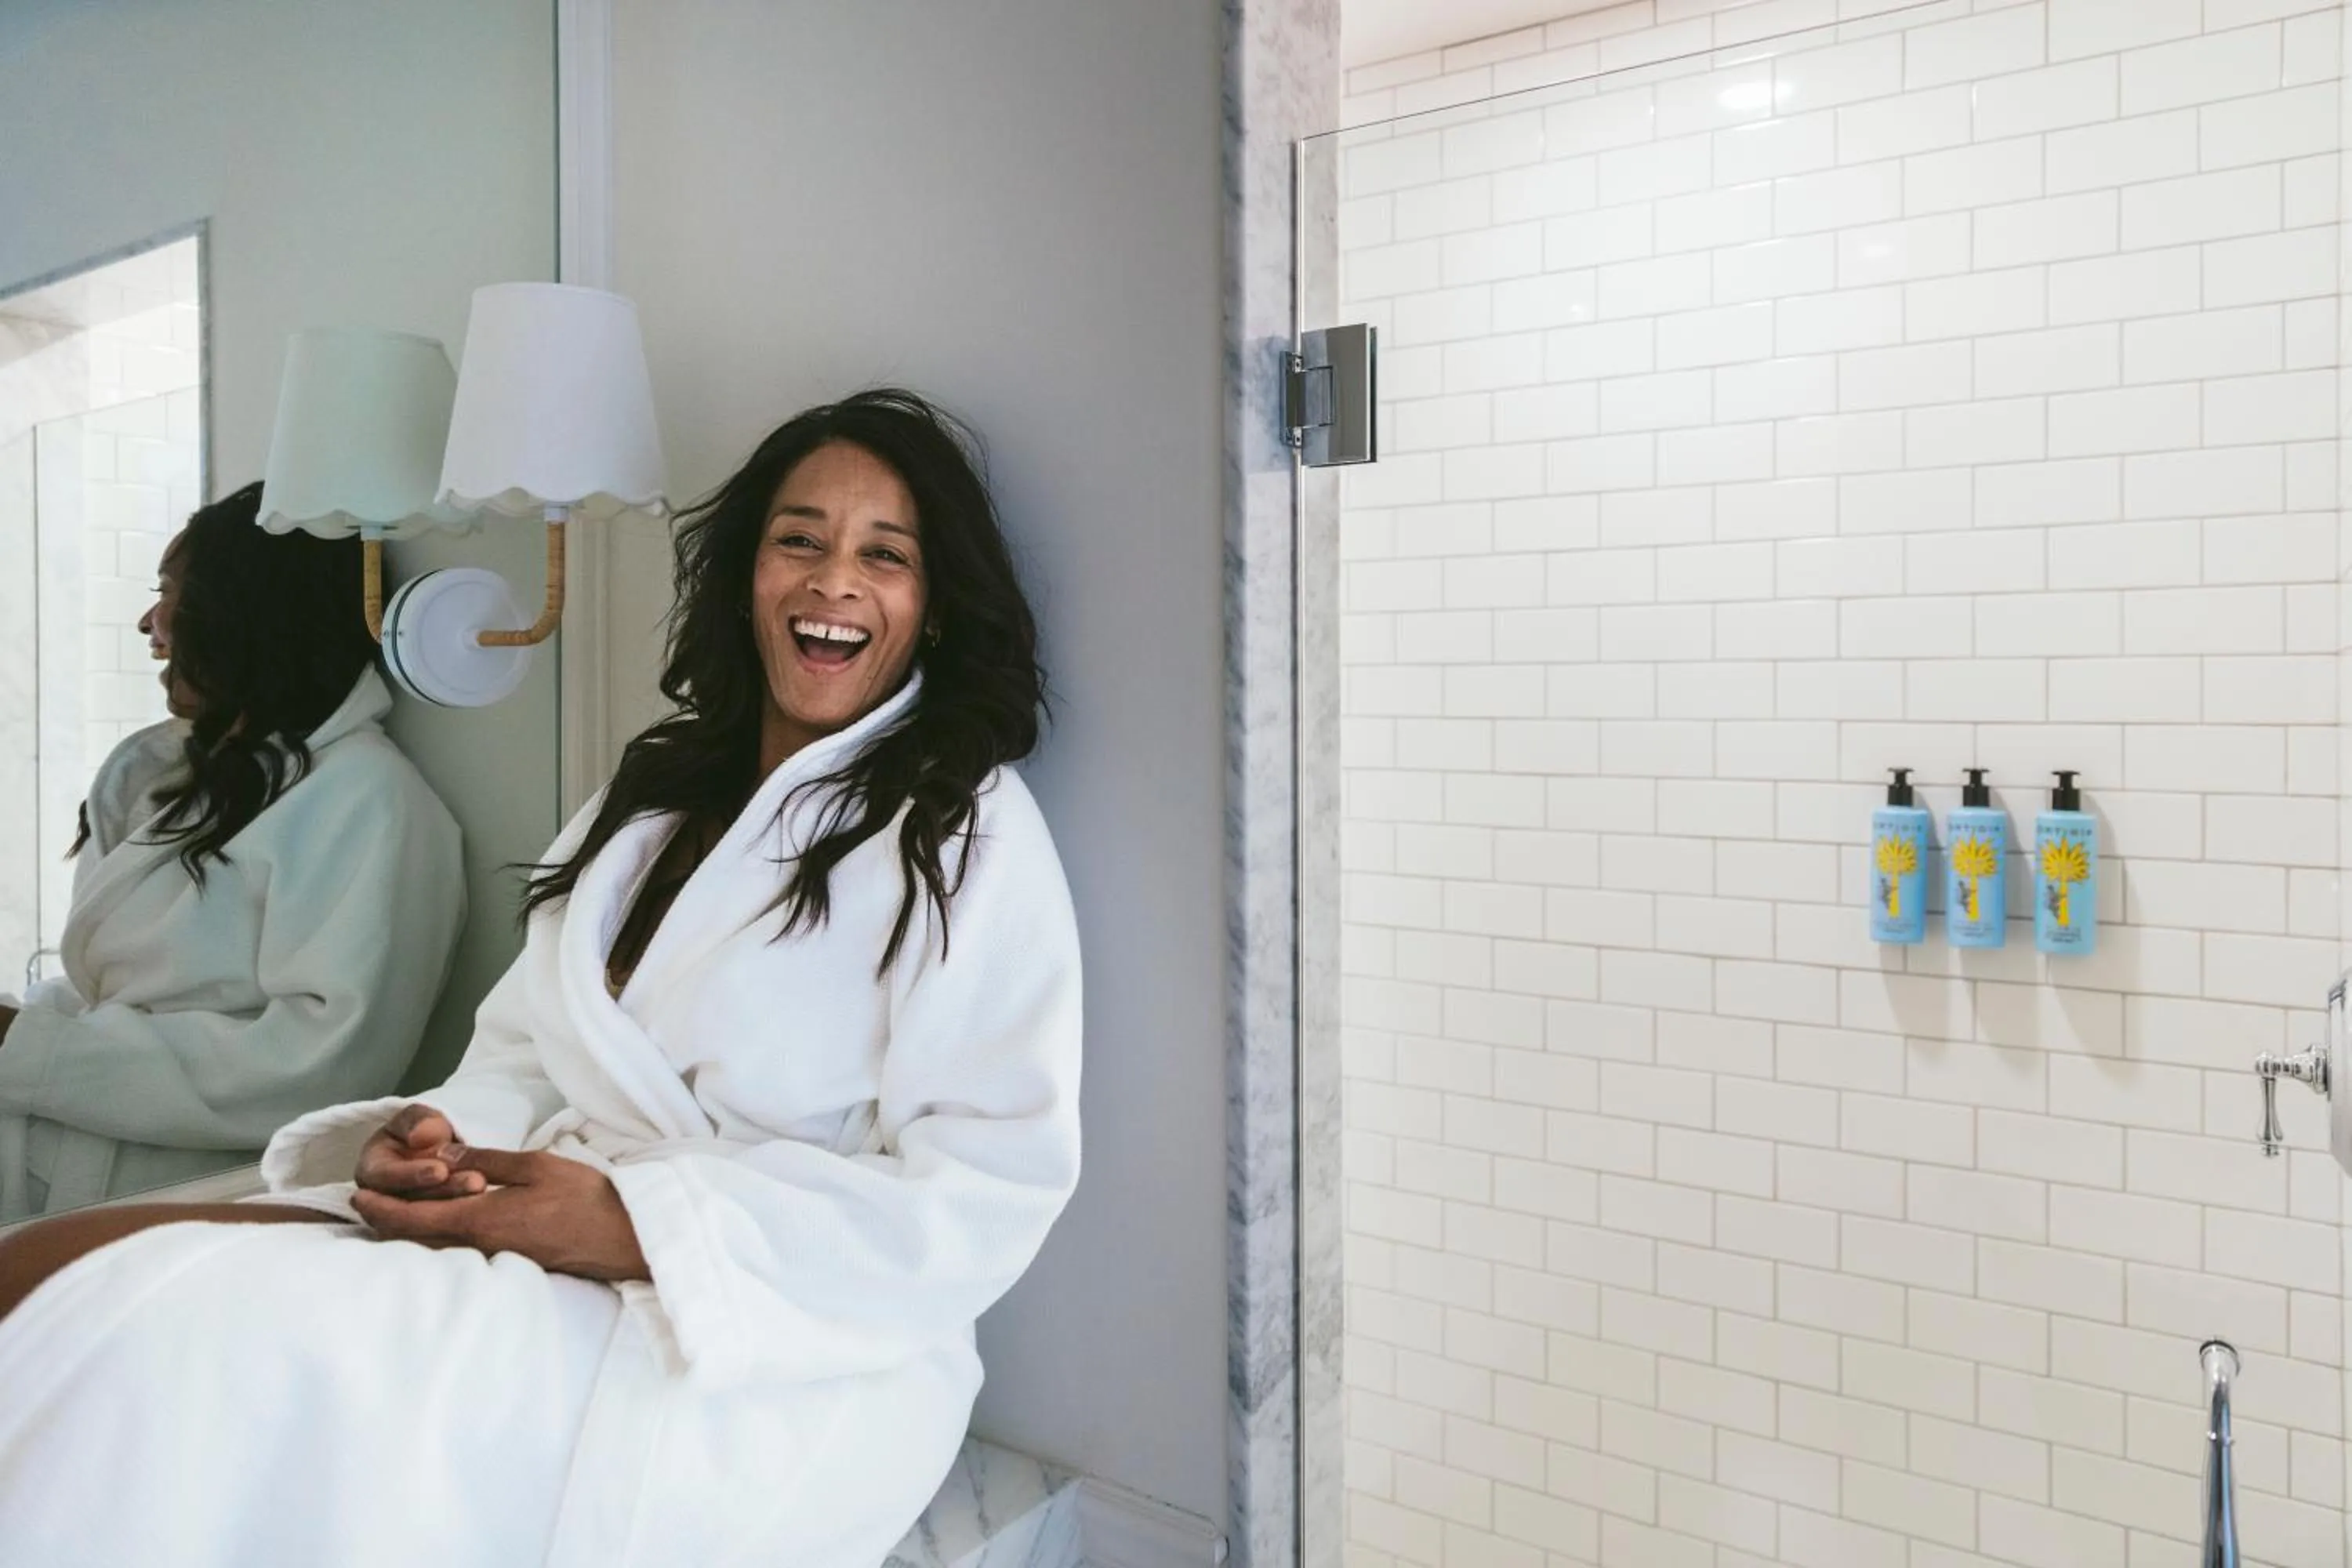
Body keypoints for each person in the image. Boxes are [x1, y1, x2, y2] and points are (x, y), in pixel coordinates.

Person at [0, 390, 1084, 1568]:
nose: (834, 581)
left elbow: (983, 1184)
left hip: (751, 1327)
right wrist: (433, 1140)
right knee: (62, 1268)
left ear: (930, 609)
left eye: (886, 555)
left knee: (195, 1342)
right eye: (799, 540)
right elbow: (522, 1048)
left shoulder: (960, 828)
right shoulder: (654, 793)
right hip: (530, 1211)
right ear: (746, 576)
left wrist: (635, 1227)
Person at [0, 481, 464, 1220]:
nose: (151, 622)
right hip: (71, 1145)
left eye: (171, 593)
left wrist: (29, 1049)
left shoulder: (371, 802)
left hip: (189, 1192)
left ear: (245, 609)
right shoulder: (188, 776)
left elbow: (323, 1069)